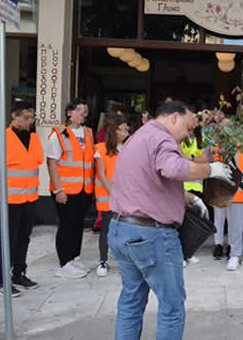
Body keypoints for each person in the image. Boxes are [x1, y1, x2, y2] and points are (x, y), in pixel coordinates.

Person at [108, 101, 234, 339]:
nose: (188, 135)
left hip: (121, 230)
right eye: (188, 128)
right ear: (174, 117)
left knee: (130, 303)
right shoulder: (162, 138)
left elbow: (149, 182)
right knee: (172, 307)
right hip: (150, 235)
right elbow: (174, 169)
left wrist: (188, 199)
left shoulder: (139, 137)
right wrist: (211, 169)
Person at [0, 101, 42, 297]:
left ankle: (19, 274)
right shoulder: (0, 139)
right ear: (13, 117)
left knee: (24, 238)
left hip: (29, 199)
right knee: (7, 240)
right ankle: (2, 281)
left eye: (32, 118)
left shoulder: (33, 139)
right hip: (6, 201)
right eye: (25, 117)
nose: (29, 122)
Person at [47, 98, 95, 279]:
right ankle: (64, 262)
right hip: (65, 190)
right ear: (69, 113)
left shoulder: (89, 133)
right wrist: (58, 190)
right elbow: (52, 163)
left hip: (84, 189)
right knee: (66, 225)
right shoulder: (58, 134)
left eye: (85, 111)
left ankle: (75, 257)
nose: (83, 114)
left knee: (77, 224)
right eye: (80, 110)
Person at [93, 114, 130, 277]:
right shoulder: (101, 148)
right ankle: (102, 261)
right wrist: (113, 194)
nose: (126, 131)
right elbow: (101, 174)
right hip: (108, 197)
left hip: (127, 196)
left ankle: (124, 261)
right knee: (107, 230)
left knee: (124, 230)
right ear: (115, 131)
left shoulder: (130, 147)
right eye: (123, 129)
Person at [181, 121, 208, 265]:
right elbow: (178, 159)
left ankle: (189, 252)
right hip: (182, 185)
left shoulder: (200, 140)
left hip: (197, 185)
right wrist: (195, 159)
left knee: (194, 222)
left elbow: (205, 159)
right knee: (181, 221)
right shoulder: (179, 140)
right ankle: (180, 254)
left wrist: (189, 158)